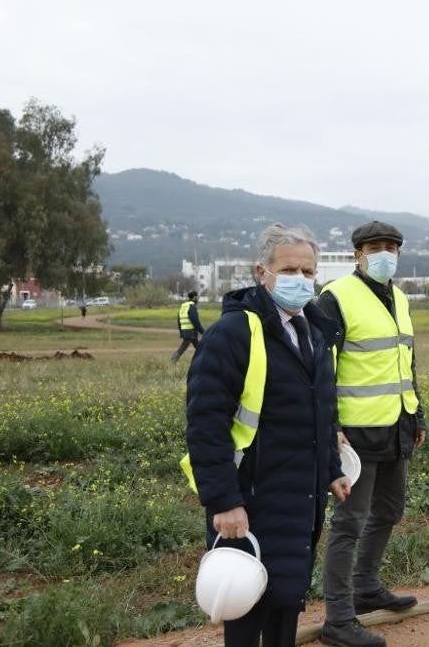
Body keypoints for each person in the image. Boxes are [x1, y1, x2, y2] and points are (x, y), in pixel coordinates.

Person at [185, 223, 353, 647]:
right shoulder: (234, 333)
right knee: (246, 605)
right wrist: (224, 501)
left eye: (308, 272)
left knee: (286, 599)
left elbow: (321, 412)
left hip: (301, 497)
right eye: (290, 270)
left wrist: (332, 469)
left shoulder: (316, 332)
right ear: (262, 273)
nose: (300, 280)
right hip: (252, 497)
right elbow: (206, 423)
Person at [317, 221, 427, 647]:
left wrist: (417, 415)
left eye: (392, 247)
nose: (385, 253)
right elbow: (321, 369)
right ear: (357, 255)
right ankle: (338, 620)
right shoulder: (335, 298)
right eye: (375, 247)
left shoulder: (399, 297)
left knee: (389, 512)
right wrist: (332, 428)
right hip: (356, 434)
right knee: (349, 524)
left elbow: (406, 363)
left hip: (397, 425)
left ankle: (365, 587)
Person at [170, 291, 205, 363]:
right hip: (190, 331)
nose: (198, 299)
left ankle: (203, 361)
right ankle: (172, 361)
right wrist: (202, 331)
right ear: (194, 297)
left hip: (187, 330)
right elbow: (195, 320)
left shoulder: (184, 306)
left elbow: (179, 320)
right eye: (198, 297)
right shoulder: (192, 306)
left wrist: (181, 332)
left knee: (198, 347)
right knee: (184, 346)